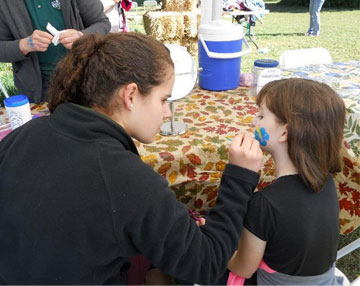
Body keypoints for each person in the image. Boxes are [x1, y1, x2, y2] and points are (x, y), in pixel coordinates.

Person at [0, 32, 263, 284]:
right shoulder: (125, 179)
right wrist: (240, 178)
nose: (167, 113)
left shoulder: (25, 133)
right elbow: (206, 262)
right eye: (163, 99)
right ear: (131, 95)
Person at [226, 78, 345, 285]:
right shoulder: (326, 182)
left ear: (285, 132)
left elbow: (243, 268)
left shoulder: (265, 204)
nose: (254, 122)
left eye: (261, 115)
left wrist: (220, 249)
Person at [0, 0, 110, 103]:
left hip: (87, 79)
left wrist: (81, 37)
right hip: (40, 89)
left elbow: (102, 23)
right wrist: (24, 45)